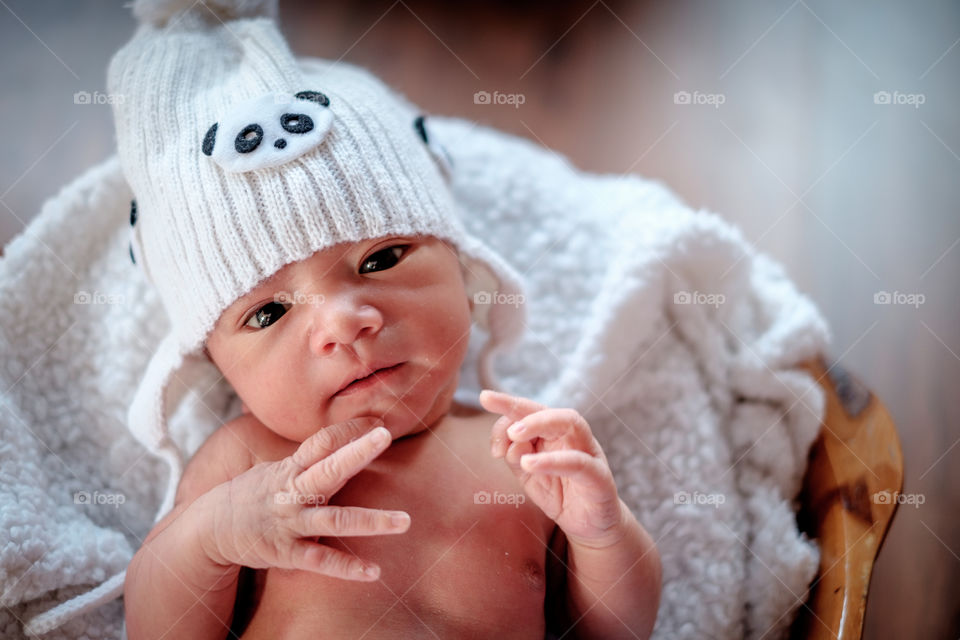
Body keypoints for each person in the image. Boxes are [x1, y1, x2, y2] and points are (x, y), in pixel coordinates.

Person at [111, 1, 661, 638]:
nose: (344, 323)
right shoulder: (244, 466)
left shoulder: (515, 450)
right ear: (213, 360)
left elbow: (613, 631)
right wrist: (210, 539)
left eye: (382, 257)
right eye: (267, 312)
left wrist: (602, 534)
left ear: (462, 266)